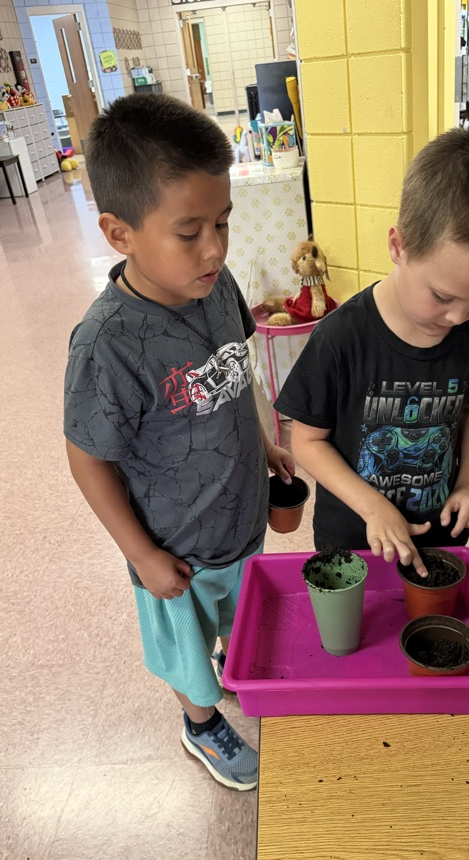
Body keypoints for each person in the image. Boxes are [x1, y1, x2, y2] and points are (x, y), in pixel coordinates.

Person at [63, 94, 294, 791]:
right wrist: (141, 554)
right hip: (175, 548)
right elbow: (87, 455)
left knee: (235, 614)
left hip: (237, 513)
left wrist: (267, 437)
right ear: (120, 232)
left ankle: (227, 667)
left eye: (222, 222)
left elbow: (241, 365)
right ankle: (200, 725)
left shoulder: (215, 286)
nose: (216, 247)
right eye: (189, 231)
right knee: (186, 646)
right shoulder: (108, 344)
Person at [274, 128, 469, 575]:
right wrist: (374, 507)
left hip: (440, 535)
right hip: (354, 538)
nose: (459, 317)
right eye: (442, 296)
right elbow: (307, 441)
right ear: (398, 246)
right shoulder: (341, 338)